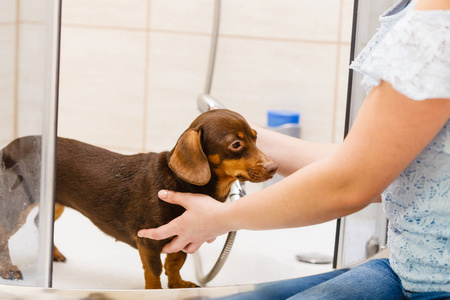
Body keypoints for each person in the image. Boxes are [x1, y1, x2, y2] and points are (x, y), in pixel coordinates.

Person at [138, 0, 450, 298]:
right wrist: (250, 140)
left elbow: (354, 183)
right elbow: (382, 163)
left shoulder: (437, 24)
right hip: (406, 268)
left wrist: (220, 217)